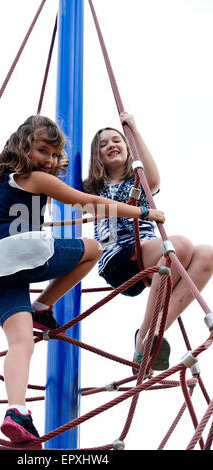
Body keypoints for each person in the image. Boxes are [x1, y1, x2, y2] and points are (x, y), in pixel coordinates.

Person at [0, 115, 165, 448]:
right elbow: (85, 201)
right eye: (42, 151)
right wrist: (142, 214)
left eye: (54, 154)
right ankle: (44, 304)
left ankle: (17, 412)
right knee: (91, 249)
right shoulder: (34, 179)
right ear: (23, 147)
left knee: (22, 342)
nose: (49, 160)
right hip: (21, 251)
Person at [84, 111, 213, 372]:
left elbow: (153, 180)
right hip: (117, 259)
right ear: (96, 156)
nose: (111, 145)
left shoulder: (138, 180)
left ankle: (150, 336)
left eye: (116, 140)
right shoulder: (93, 186)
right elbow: (66, 196)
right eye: (103, 144)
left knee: (207, 254)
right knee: (181, 245)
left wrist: (134, 129)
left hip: (149, 254)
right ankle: (146, 334)